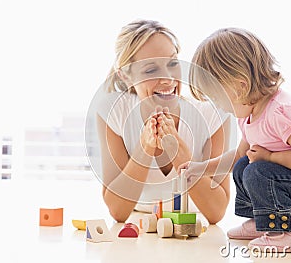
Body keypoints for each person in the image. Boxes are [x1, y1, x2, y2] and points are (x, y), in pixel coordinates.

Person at [180, 27, 291, 252]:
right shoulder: (248, 115)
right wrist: (201, 168)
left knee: (256, 170)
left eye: (217, 97)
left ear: (241, 86)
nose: (217, 105)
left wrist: (270, 157)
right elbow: (239, 156)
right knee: (244, 164)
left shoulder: (281, 112)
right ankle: (265, 223)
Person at [94, 19, 232, 223]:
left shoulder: (212, 113)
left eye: (173, 63)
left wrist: (179, 153)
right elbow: (118, 211)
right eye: (151, 70)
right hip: (140, 230)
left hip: (195, 228)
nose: (168, 79)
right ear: (126, 76)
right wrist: (145, 147)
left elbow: (216, 212)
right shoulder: (114, 113)